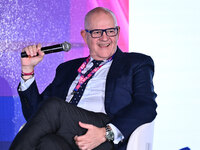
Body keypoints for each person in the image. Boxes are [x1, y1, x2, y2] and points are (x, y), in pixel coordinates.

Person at [10, 7, 157, 150]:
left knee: (54, 106)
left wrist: (106, 132)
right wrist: (28, 70)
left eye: (110, 31)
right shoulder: (66, 69)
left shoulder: (136, 63)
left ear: (118, 32)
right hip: (66, 136)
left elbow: (146, 106)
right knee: (46, 142)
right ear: (84, 36)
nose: (105, 37)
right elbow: (36, 115)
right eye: (97, 32)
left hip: (103, 133)